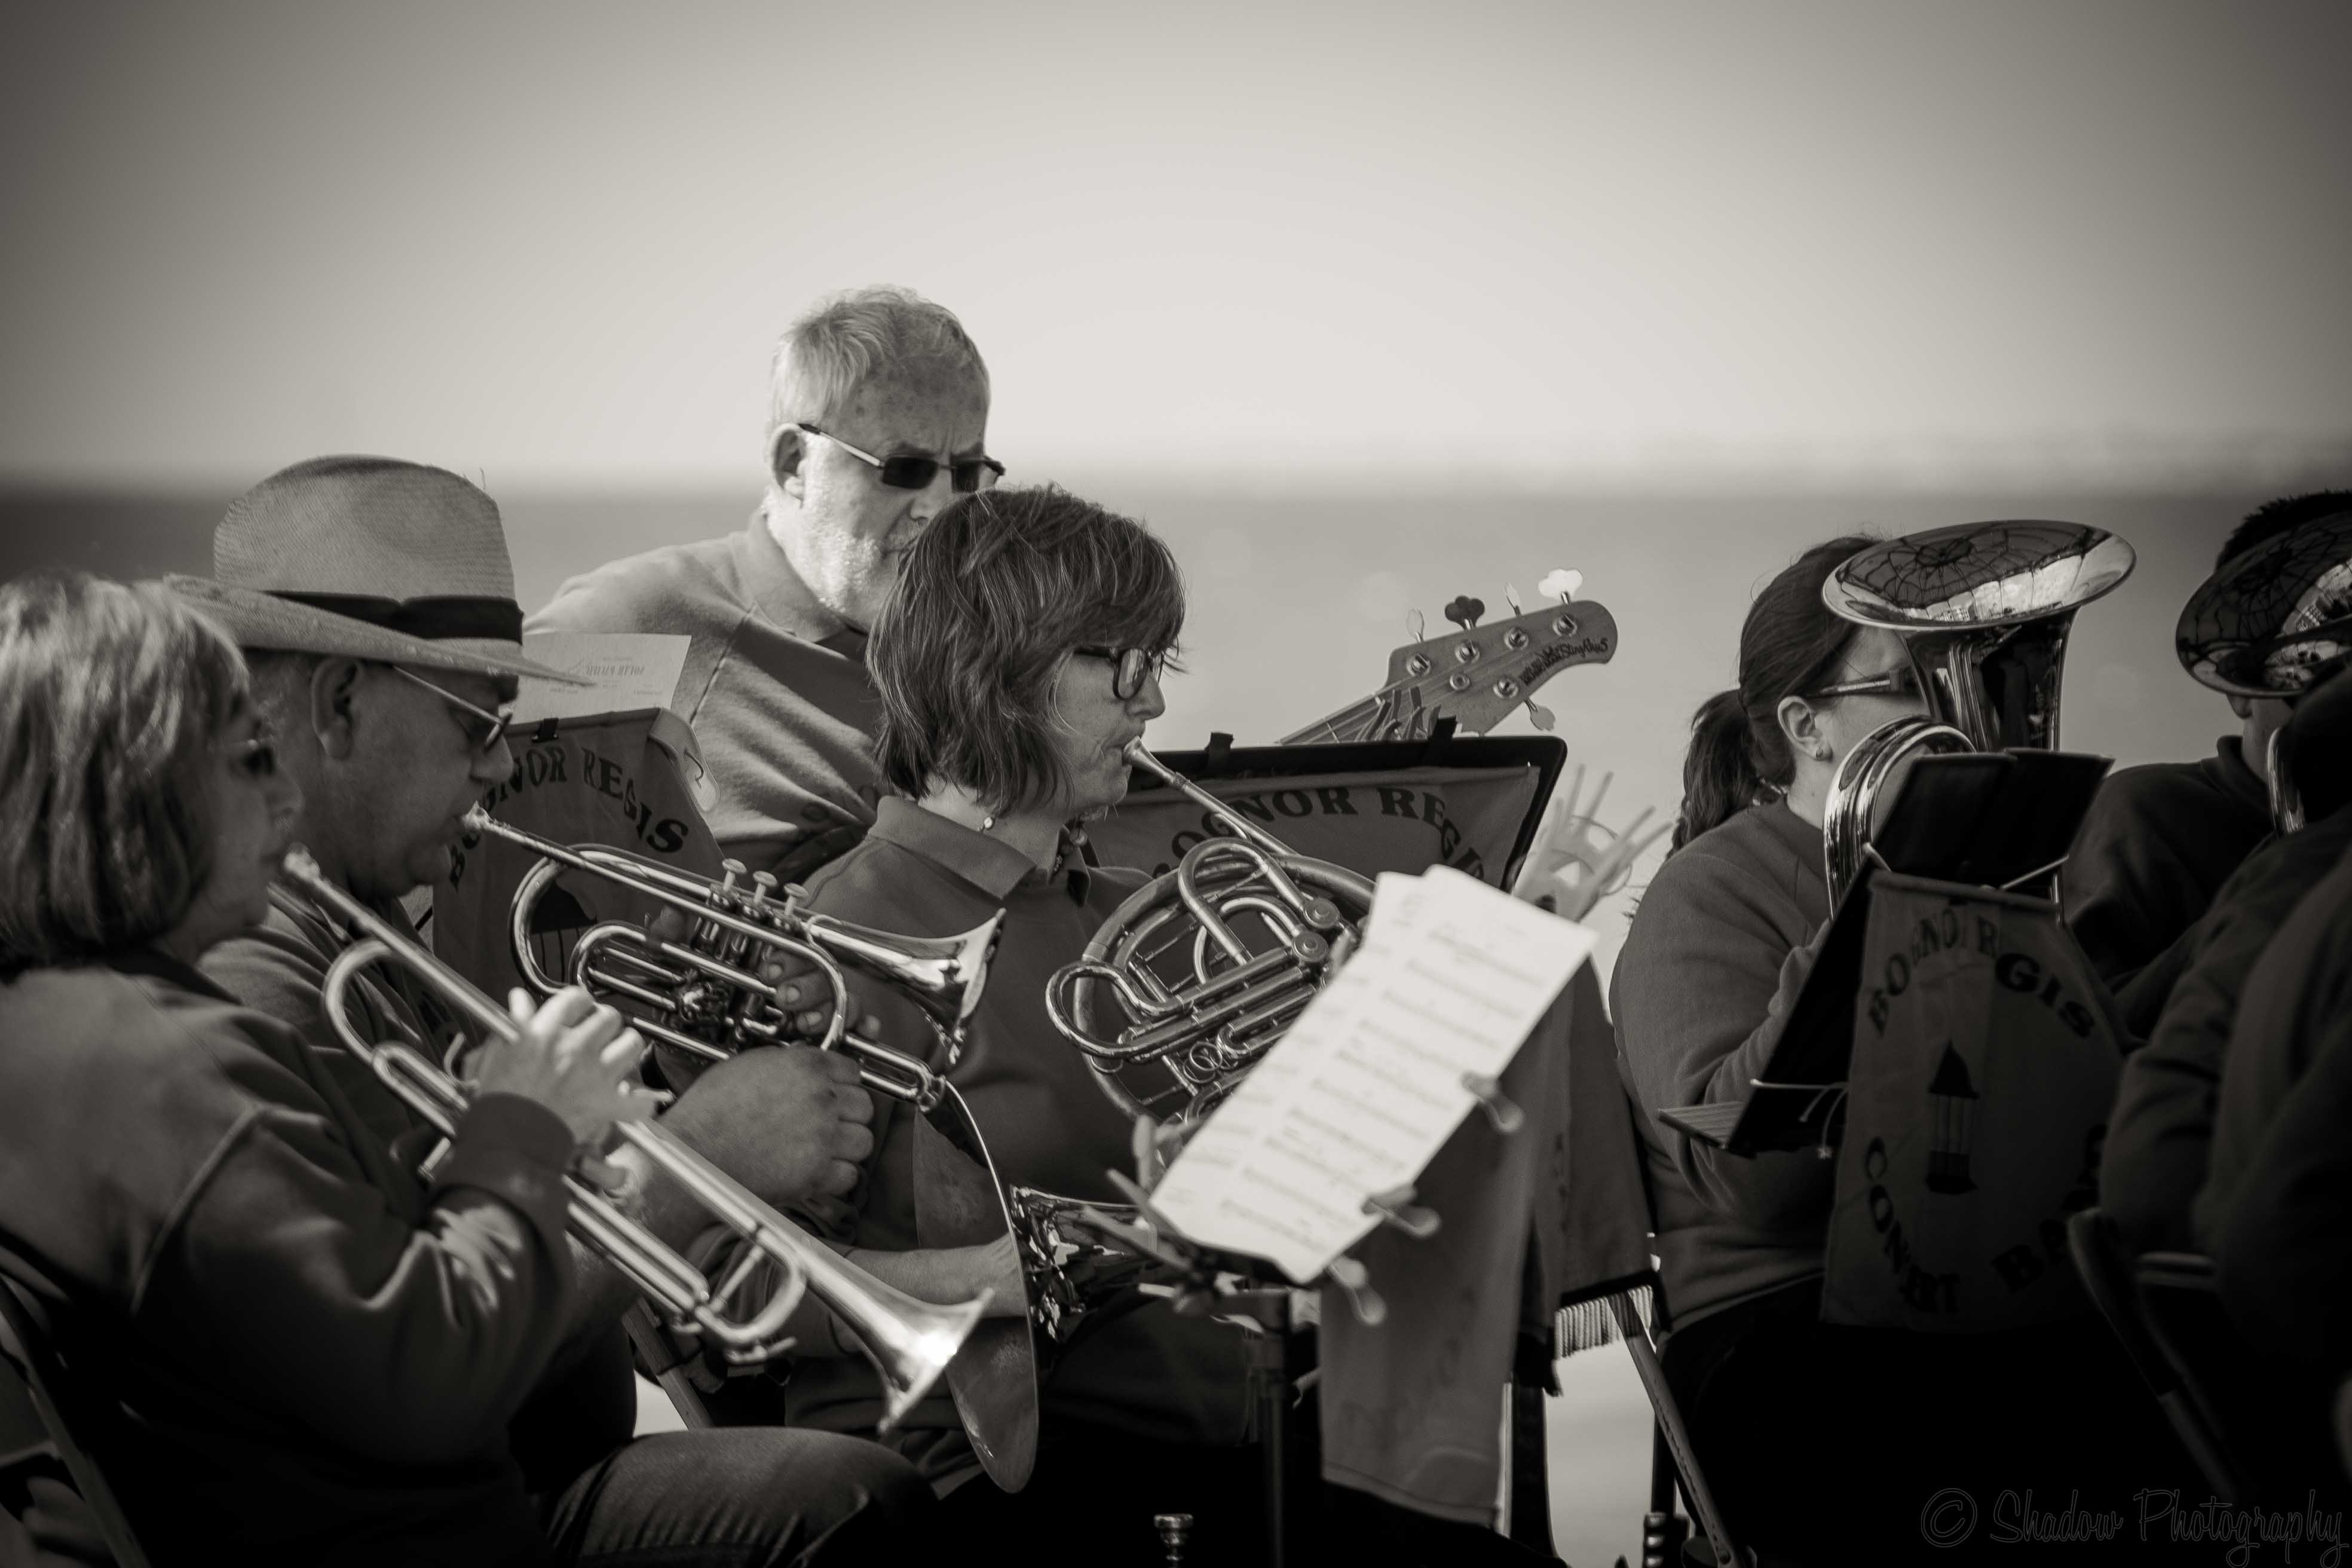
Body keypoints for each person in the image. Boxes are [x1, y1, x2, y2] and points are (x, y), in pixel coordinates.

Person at [0, 569, 936, 1564]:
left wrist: (548, 1118)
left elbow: (363, 1288)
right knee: (855, 1503)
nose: (283, 795)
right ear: (134, 792)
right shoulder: (164, 1062)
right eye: (248, 760)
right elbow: (425, 1378)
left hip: (415, 1511)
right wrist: (528, 1130)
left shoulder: (94, 1026)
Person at [1613, 536, 2173, 1560]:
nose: (1957, 710)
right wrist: (1876, 904)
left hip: (1987, 1296)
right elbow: (1753, 1184)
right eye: (1913, 682)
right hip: (1784, 1326)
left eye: (1968, 674)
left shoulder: (2011, 871)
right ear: (1806, 726)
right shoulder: (1706, 892)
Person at [529, 286, 997, 884]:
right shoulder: (638, 619)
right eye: (904, 469)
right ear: (794, 463)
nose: (939, 507)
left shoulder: (1005, 658)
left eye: (966, 473)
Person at [2062, 489, 2352, 1003]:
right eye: (2315, 666)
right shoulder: (2143, 814)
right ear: (2239, 690)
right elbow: (2087, 1027)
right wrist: (2260, 903)